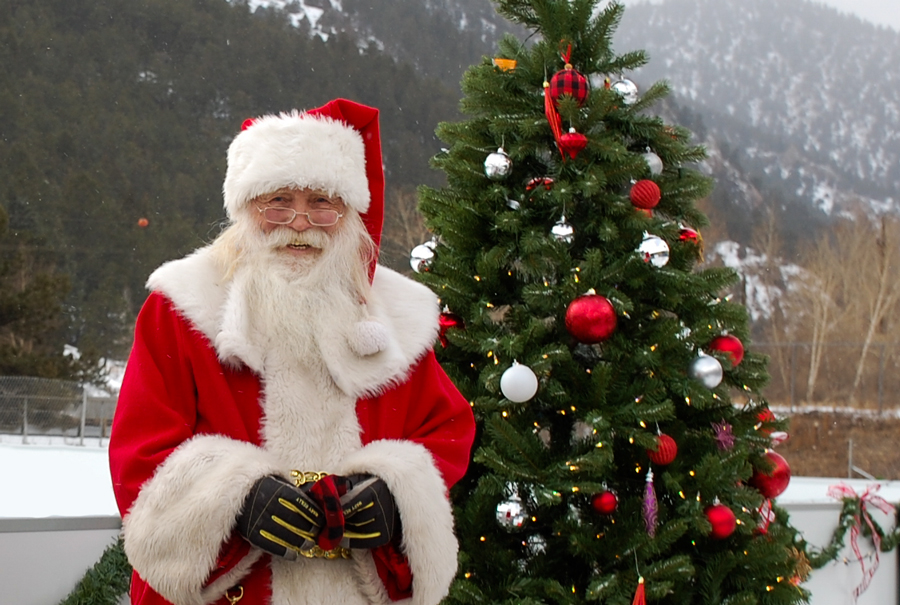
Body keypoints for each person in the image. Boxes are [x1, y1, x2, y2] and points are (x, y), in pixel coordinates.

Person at [109, 99, 476, 605]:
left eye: (323, 202)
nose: (300, 222)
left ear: (350, 214)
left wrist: (397, 494)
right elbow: (139, 454)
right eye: (277, 200)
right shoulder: (182, 308)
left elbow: (446, 432)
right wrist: (232, 497)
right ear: (244, 207)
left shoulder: (396, 317)